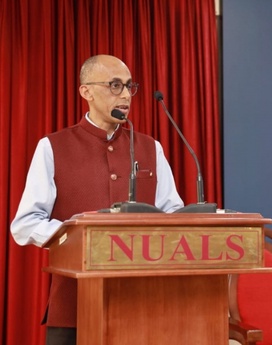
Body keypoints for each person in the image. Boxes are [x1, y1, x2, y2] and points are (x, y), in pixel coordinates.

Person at [10, 55, 184, 345]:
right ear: (86, 92)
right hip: (74, 308)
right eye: (115, 85)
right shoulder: (53, 147)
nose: (126, 95)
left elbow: (173, 213)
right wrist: (78, 236)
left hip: (144, 306)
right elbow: (25, 224)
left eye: (129, 86)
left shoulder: (150, 148)